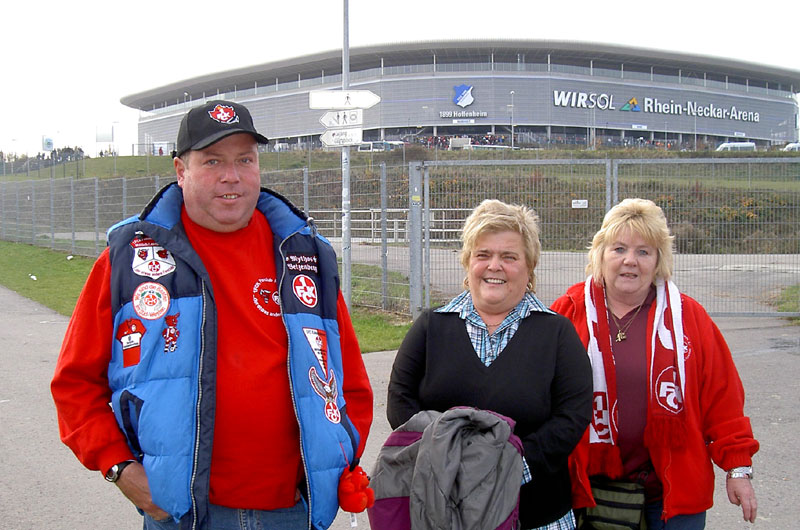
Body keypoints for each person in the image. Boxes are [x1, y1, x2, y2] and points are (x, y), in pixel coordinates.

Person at [51, 100, 373, 530]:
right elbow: (74, 384)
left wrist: (342, 459)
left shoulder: (307, 255)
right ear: (181, 171)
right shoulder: (128, 260)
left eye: (245, 159)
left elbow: (348, 378)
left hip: (292, 512)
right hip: (183, 515)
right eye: (212, 161)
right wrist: (118, 468)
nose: (231, 176)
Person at [551, 198, 759, 529]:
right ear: (600, 254)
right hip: (588, 489)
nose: (629, 261)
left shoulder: (689, 318)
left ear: (658, 260)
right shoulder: (568, 311)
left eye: (643, 251)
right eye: (618, 249)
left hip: (672, 494)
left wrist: (738, 469)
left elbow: (723, 400)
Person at [387, 199, 593, 529]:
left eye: (509, 257)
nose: (494, 265)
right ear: (468, 262)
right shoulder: (431, 327)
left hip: (536, 512)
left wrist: (509, 464)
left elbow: (573, 415)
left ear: (529, 266)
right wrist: (448, 461)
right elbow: (400, 400)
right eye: (483, 254)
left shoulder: (557, 333)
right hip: (443, 510)